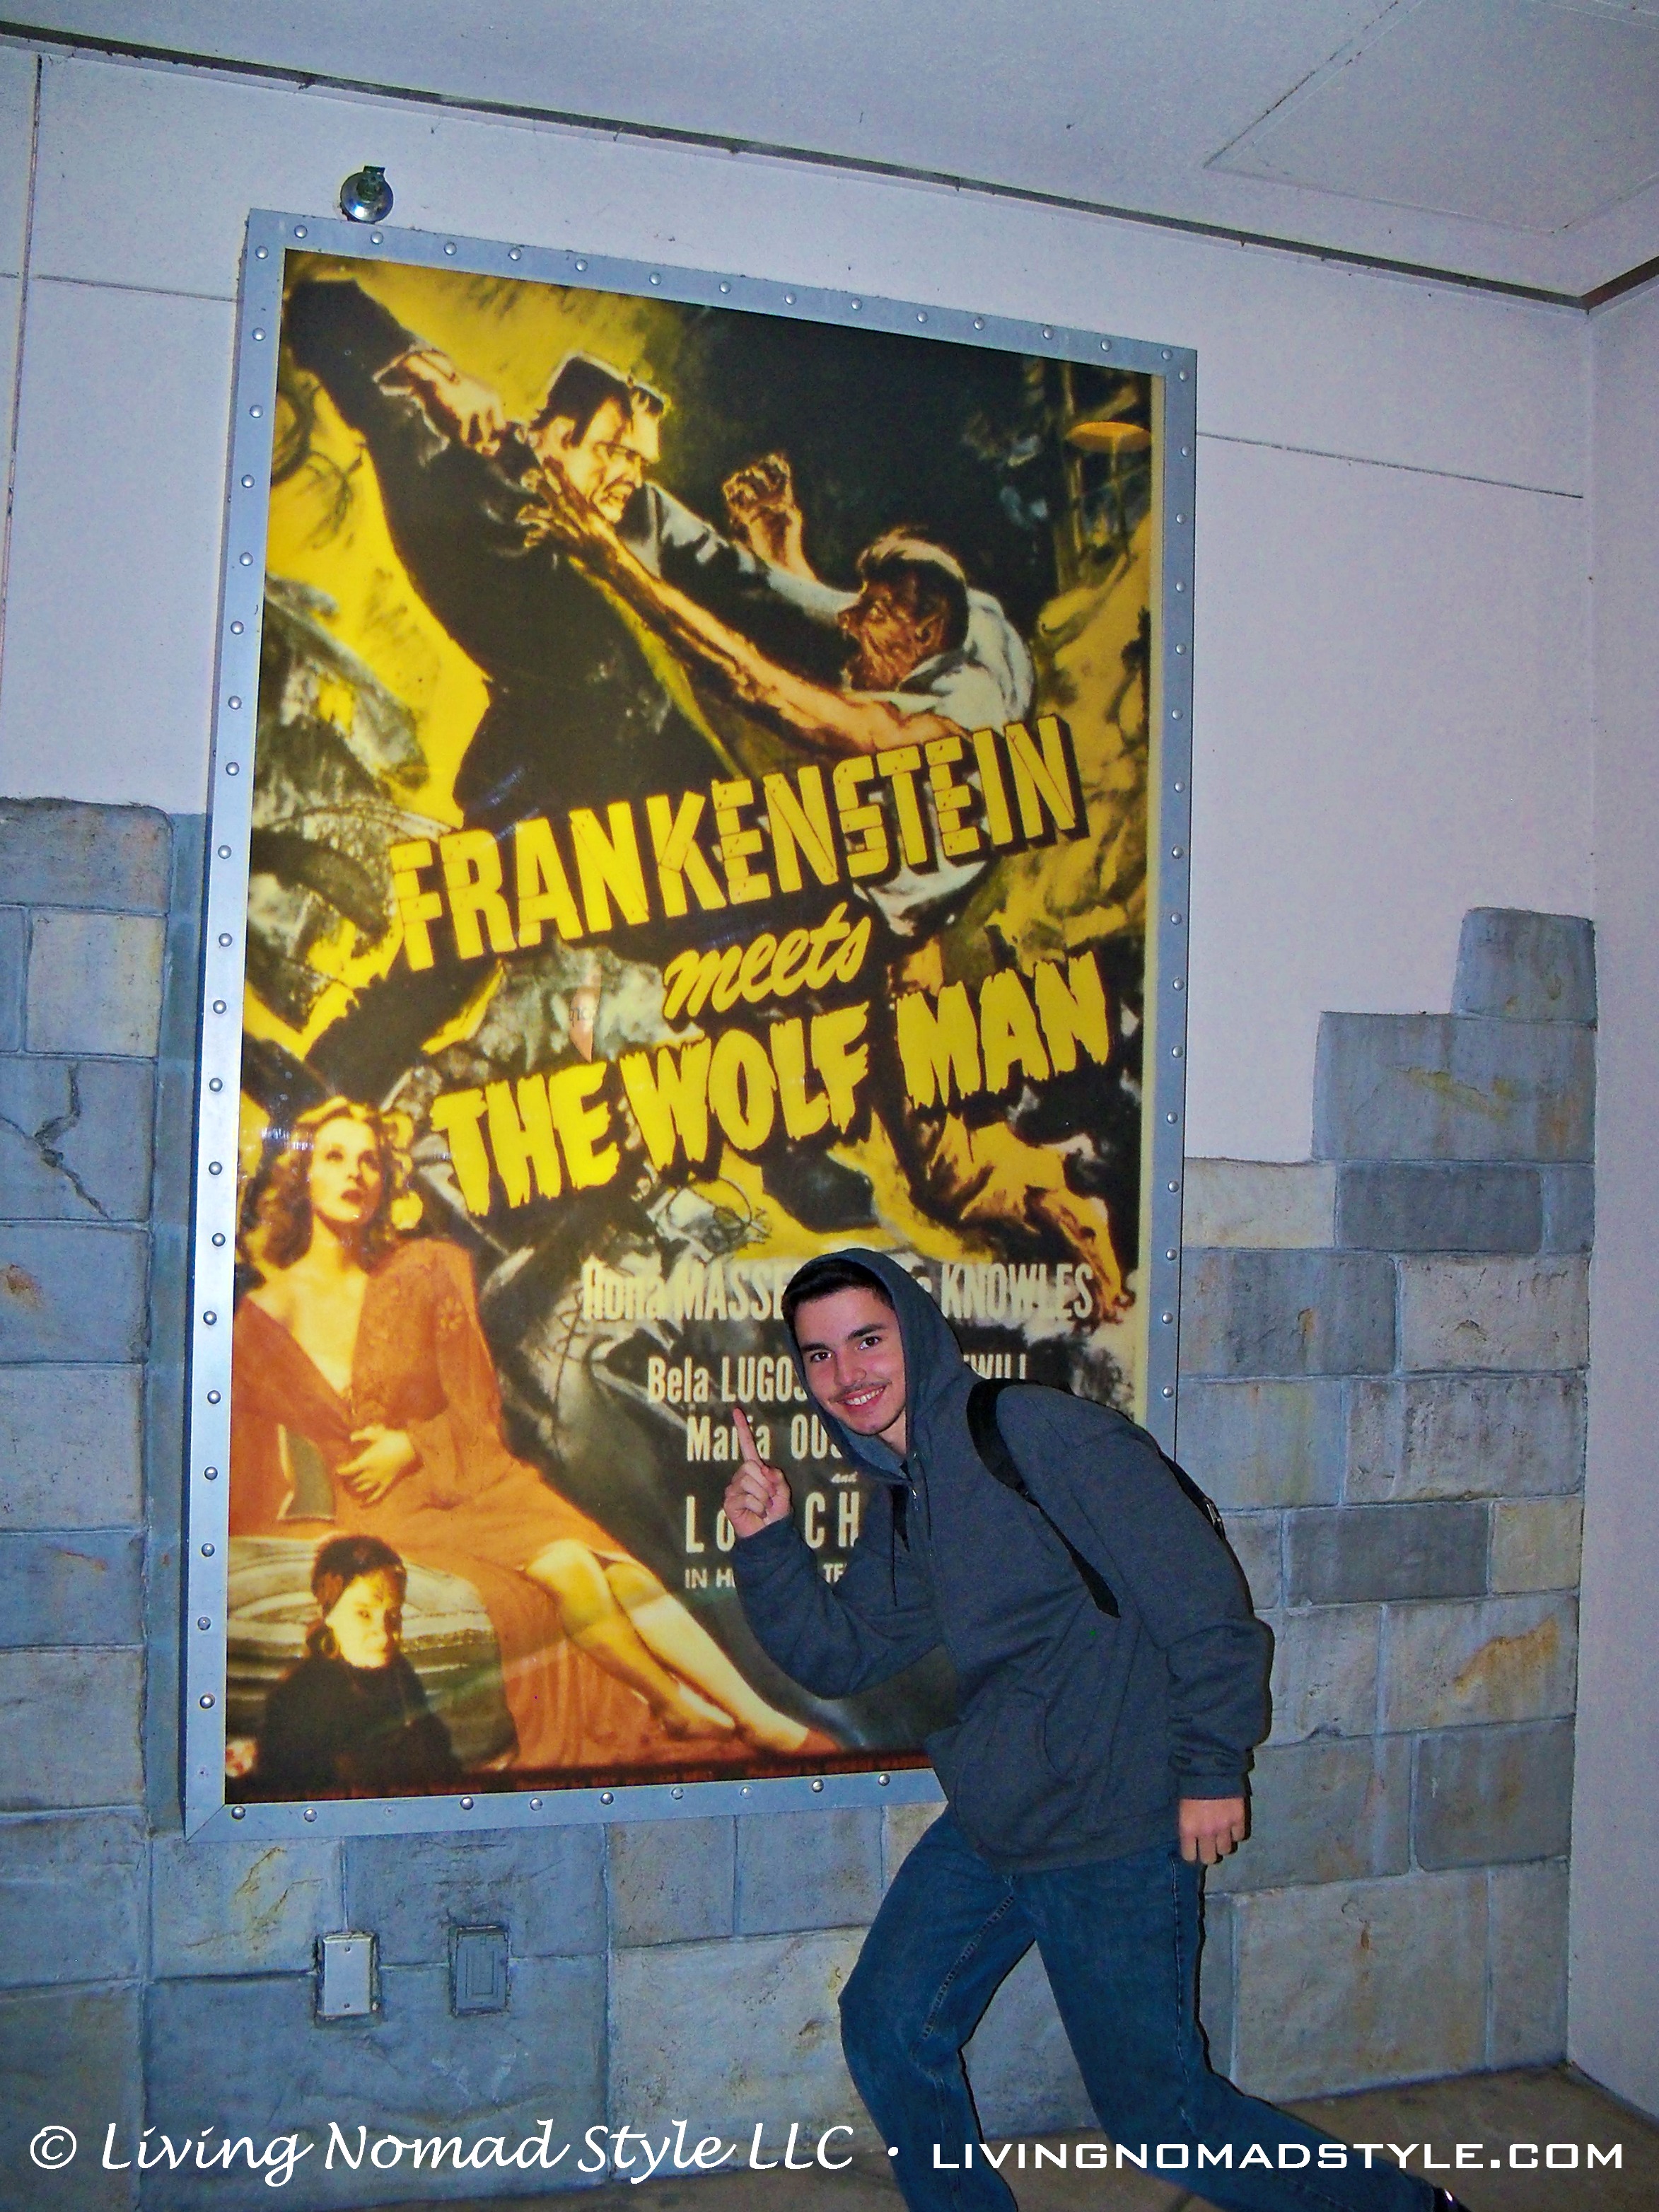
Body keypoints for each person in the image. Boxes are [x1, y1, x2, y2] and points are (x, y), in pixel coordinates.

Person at [723, 1251, 1467, 2212]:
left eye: (867, 1339)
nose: (846, 1373)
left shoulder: (1036, 1433)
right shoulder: (904, 1495)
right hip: (1003, 1818)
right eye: (819, 1355)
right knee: (888, 2022)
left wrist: (1211, 1767)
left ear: (914, 1330)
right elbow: (843, 1653)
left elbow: (1202, 1600)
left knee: (1166, 2119)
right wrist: (767, 1543)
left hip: (1115, 1824)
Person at [525, 470, 1131, 1314]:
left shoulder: (942, 728)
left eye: (873, 613)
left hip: (904, 940)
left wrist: (611, 564)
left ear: (925, 628)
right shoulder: (968, 621)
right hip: (897, 907)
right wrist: (782, 551)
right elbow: (817, 607)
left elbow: (760, 686)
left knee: (948, 1175)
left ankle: (1071, 1221)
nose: (852, 624)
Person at [231, 1096, 830, 1768]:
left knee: (612, 1566)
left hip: (468, 1475)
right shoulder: (260, 1316)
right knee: (571, 1568)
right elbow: (252, 1466)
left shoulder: (425, 1268)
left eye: (370, 1161)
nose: (355, 1174)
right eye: (336, 1157)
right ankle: (675, 1705)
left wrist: (412, 1445)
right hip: (383, 1511)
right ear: (303, 1174)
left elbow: (476, 1403)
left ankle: (756, 1716)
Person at [254, 1534, 461, 1797]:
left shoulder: (401, 1676)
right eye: (364, 1614)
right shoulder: (299, 1695)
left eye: (393, 1615)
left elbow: (440, 1760)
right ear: (330, 1614)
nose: (384, 1633)